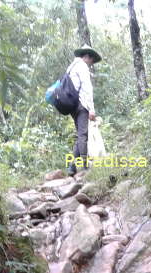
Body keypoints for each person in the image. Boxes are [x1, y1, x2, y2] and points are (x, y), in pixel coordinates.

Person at [66, 44, 102, 176]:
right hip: (81, 105)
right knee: (83, 135)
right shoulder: (82, 66)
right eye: (92, 60)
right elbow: (87, 88)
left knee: (80, 134)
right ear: (87, 57)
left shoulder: (71, 67)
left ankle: (72, 166)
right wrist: (91, 109)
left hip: (72, 105)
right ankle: (85, 167)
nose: (91, 63)